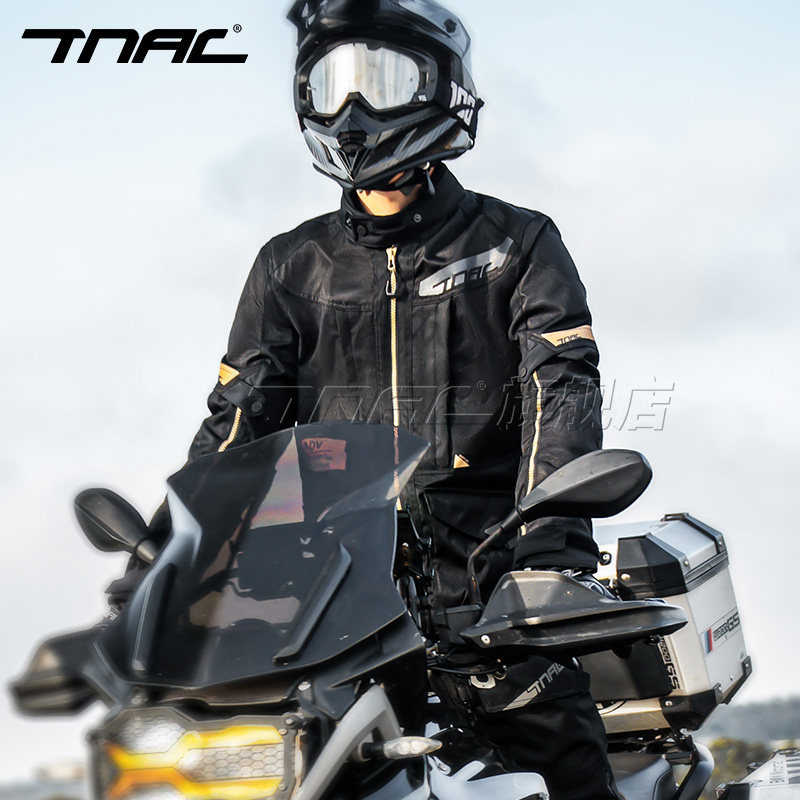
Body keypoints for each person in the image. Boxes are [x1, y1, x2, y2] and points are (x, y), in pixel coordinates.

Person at [156, 1, 617, 797]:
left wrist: (546, 552)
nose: (353, 109)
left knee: (557, 754)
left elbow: (562, 392)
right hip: (332, 591)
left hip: (489, 571)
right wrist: (172, 552)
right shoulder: (289, 264)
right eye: (332, 83)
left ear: (440, 87)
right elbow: (239, 421)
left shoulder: (517, 242)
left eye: (382, 79)